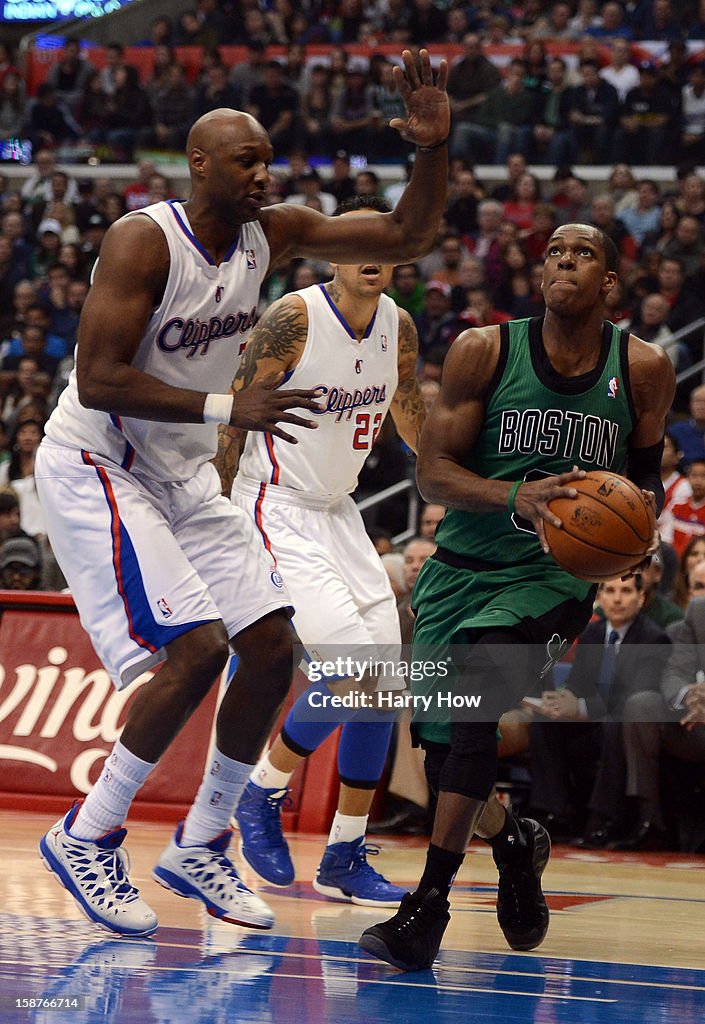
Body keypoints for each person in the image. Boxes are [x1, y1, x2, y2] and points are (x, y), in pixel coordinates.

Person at [33, 51, 451, 939]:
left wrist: (431, 149)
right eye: (247, 161)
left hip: (179, 469)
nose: (264, 175)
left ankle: (200, 840)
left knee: (269, 650)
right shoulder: (143, 240)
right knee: (196, 649)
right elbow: (99, 376)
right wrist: (231, 403)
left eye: (268, 159)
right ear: (200, 166)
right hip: (99, 462)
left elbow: (405, 236)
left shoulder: (274, 232)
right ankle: (88, 832)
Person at [358, 223, 675, 972]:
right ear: (540, 277)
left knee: (473, 705)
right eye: (552, 254)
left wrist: (638, 528)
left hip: (552, 581)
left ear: (609, 284)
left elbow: (646, 479)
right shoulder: (485, 350)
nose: (563, 261)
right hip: (459, 568)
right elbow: (432, 473)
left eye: (583, 253)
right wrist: (515, 496)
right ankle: (510, 838)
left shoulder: (642, 369)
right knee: (445, 769)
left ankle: (425, 909)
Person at [218, 195, 426, 906]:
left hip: (337, 516)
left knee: (384, 688)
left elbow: (412, 421)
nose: (369, 254)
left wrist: (472, 485)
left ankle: (343, 856)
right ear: (332, 252)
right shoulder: (294, 318)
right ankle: (259, 792)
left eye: (382, 241)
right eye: (354, 241)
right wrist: (214, 525)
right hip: (272, 507)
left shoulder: (399, 326)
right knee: (357, 677)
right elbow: (234, 419)